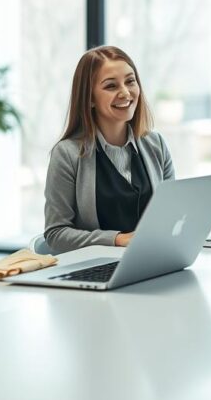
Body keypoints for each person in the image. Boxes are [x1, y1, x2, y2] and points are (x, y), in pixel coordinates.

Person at [44, 46, 175, 254]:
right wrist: (117, 240)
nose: (125, 92)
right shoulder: (67, 154)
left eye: (130, 81)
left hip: (152, 261)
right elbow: (56, 234)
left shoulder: (156, 144)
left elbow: (172, 214)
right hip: (95, 268)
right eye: (111, 86)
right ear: (90, 98)